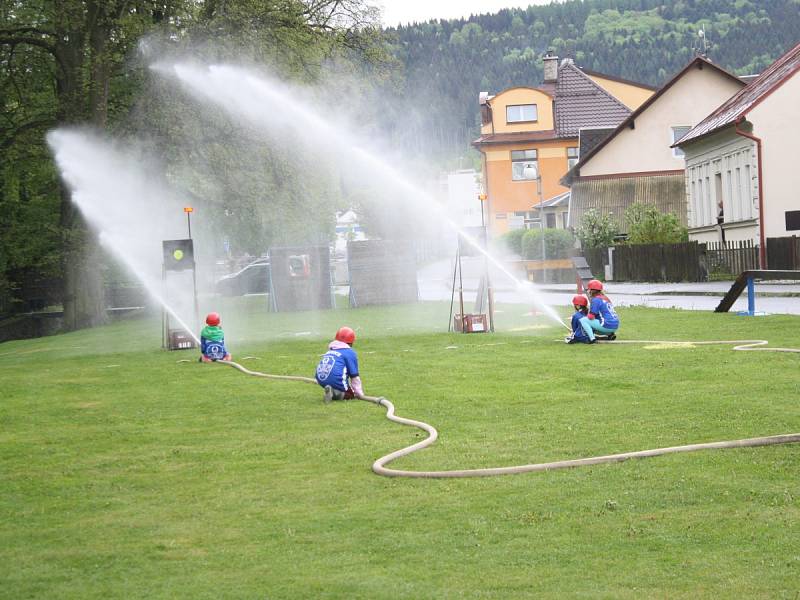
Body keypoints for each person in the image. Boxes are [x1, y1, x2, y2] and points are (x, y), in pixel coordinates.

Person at [315, 326, 364, 403]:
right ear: (351, 342)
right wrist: (359, 394)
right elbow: (354, 376)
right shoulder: (350, 353)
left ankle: (331, 389)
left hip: (320, 379)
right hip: (335, 380)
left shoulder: (329, 351)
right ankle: (335, 393)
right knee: (351, 394)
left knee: (336, 383)